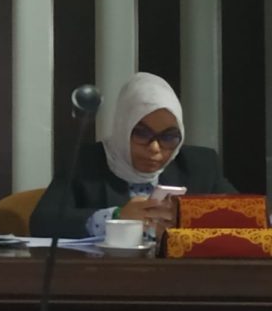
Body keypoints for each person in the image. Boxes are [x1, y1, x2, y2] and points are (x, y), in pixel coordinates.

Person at [30, 72, 236, 239]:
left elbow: (245, 216)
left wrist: (190, 219)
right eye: (142, 133)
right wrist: (116, 217)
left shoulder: (199, 165)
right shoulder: (85, 162)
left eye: (168, 137)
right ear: (123, 127)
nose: (155, 148)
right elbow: (43, 222)